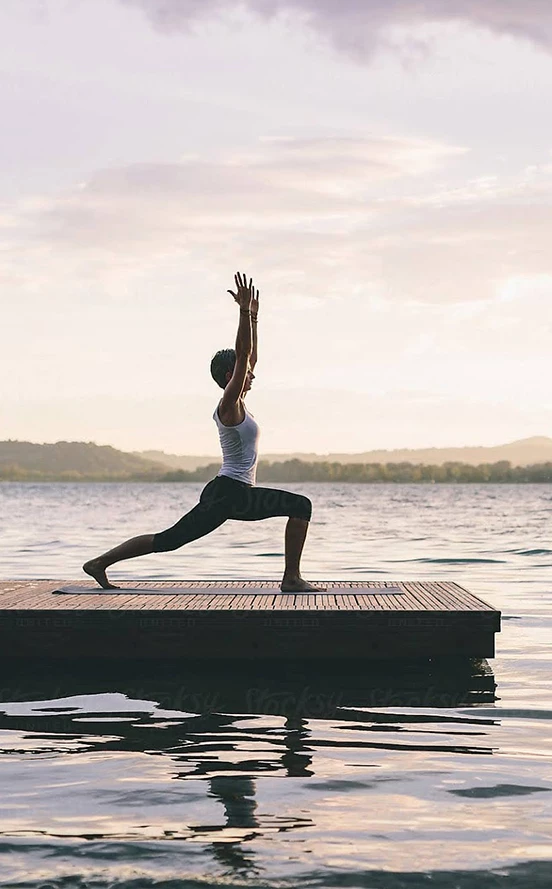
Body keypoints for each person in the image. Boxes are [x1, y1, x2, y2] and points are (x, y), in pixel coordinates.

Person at [83, 272, 324, 592]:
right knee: (170, 540)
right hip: (230, 494)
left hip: (231, 493)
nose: (252, 376)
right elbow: (245, 356)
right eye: (245, 372)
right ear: (231, 375)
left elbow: (249, 356)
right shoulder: (229, 404)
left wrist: (254, 317)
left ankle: (98, 563)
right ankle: (291, 579)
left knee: (170, 540)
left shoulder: (239, 405)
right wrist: (242, 314)